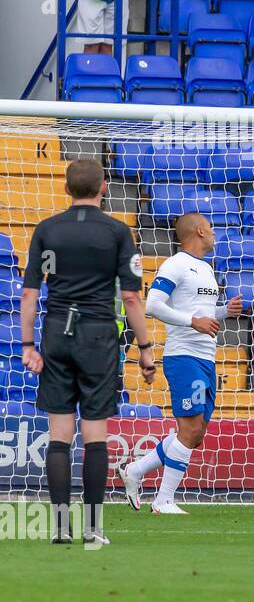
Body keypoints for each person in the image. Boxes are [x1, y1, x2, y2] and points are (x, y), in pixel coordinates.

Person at [20, 159, 155, 545]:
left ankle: (61, 527)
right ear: (104, 188)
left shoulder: (47, 230)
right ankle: (94, 529)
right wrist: (146, 350)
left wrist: (29, 345)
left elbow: (30, 292)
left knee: (59, 434)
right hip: (98, 336)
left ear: (66, 189)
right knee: (95, 435)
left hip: (57, 333)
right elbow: (130, 296)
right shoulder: (117, 232)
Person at [118, 213, 244, 514]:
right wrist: (193, 321)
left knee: (196, 432)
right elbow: (154, 304)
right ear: (199, 231)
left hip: (205, 357)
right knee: (189, 430)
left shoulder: (206, 269)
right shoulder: (175, 264)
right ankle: (163, 501)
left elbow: (201, 313)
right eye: (211, 229)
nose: (214, 234)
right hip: (184, 356)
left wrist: (224, 311)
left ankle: (135, 470)